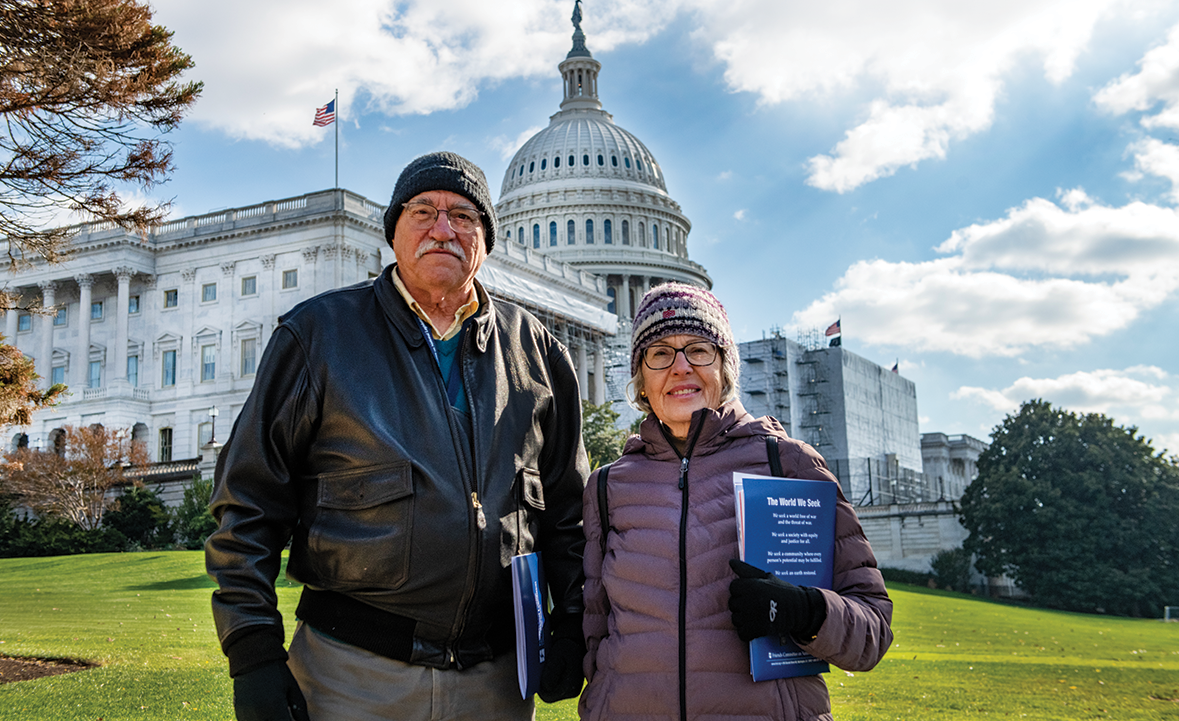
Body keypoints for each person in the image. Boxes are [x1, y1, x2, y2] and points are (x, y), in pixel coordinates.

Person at [206, 152, 589, 721]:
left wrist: (576, 620)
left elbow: (566, 510)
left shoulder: (537, 351)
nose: (443, 230)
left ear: (486, 240)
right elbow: (248, 504)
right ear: (393, 233)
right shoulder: (318, 336)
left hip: (496, 682)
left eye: (463, 216)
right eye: (423, 212)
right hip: (352, 674)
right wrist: (253, 650)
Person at [579, 283, 892, 720]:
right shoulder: (607, 486)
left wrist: (806, 611)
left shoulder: (788, 463)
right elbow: (597, 634)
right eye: (660, 353)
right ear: (641, 380)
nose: (681, 367)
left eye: (699, 349)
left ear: (725, 366)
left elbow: (873, 631)